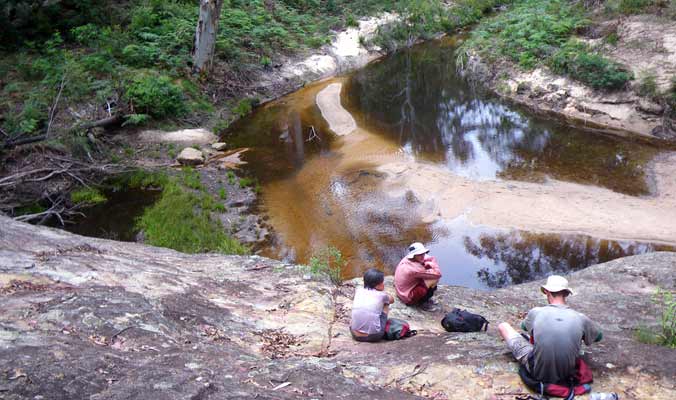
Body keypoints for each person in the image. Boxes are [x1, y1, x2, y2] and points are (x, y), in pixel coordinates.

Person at [497, 275, 603, 385]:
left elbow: (524, 327)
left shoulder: (536, 312)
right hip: (568, 374)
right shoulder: (580, 317)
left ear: (547, 292)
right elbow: (599, 336)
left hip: (537, 373)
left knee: (503, 326)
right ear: (566, 294)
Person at [350, 268, 395, 342]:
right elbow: (392, 300)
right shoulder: (382, 295)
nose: (383, 284)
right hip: (374, 336)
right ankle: (376, 327)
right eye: (382, 283)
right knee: (386, 303)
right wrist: (383, 292)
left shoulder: (359, 290)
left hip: (354, 333)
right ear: (377, 285)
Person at [393, 242, 442, 307]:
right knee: (434, 279)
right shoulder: (414, 269)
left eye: (423, 253)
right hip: (407, 298)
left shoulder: (407, 259)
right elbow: (438, 274)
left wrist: (427, 262)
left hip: (401, 291)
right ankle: (424, 301)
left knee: (427, 269)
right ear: (414, 255)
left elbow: (430, 257)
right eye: (419, 254)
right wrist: (431, 264)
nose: (422, 255)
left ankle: (423, 297)